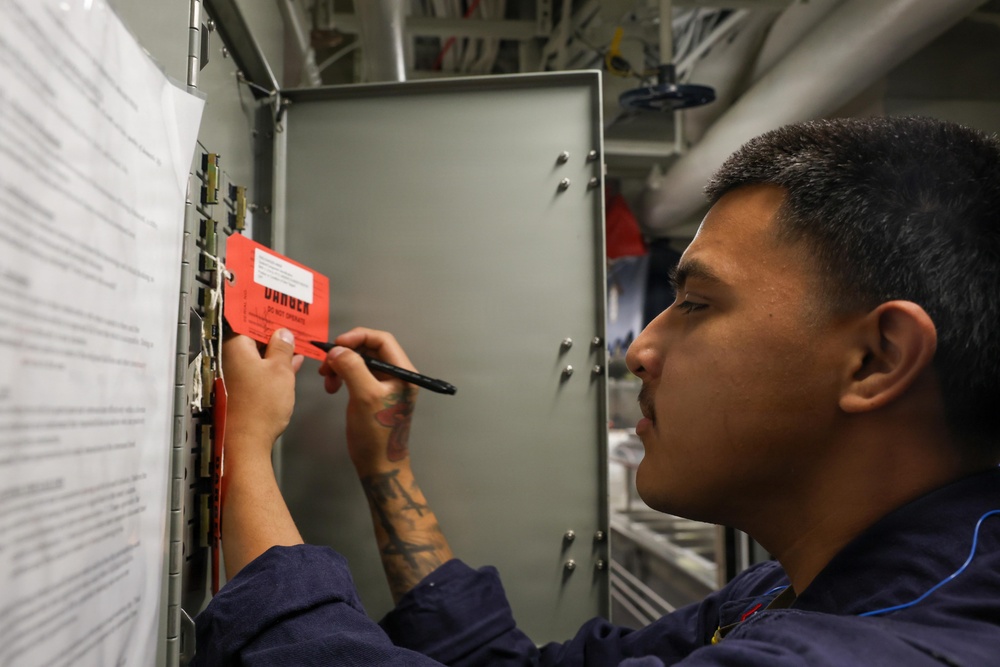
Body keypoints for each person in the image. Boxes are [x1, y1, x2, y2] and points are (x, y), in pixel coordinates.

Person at [193, 116, 1000, 666]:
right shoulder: (807, 587)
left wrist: (245, 448)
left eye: (697, 302)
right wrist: (387, 464)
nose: (642, 349)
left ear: (876, 359)